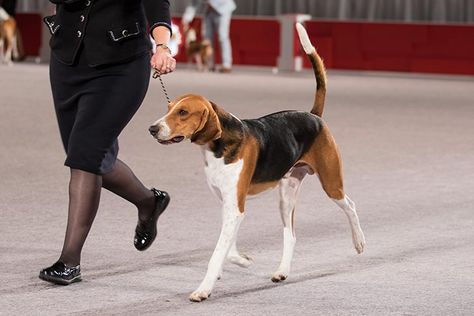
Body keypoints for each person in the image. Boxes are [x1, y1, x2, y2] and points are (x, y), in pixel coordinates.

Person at [39, 0, 176, 285]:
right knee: (88, 156)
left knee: (85, 156)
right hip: (68, 62)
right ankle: (149, 202)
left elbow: (157, 4)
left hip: (121, 67)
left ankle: (69, 260)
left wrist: (162, 46)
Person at [183, 0, 236, 73]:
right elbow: (193, 4)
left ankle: (226, 65)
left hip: (223, 8)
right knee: (206, 38)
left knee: (222, 36)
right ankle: (210, 65)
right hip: (207, 11)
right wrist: (186, 20)